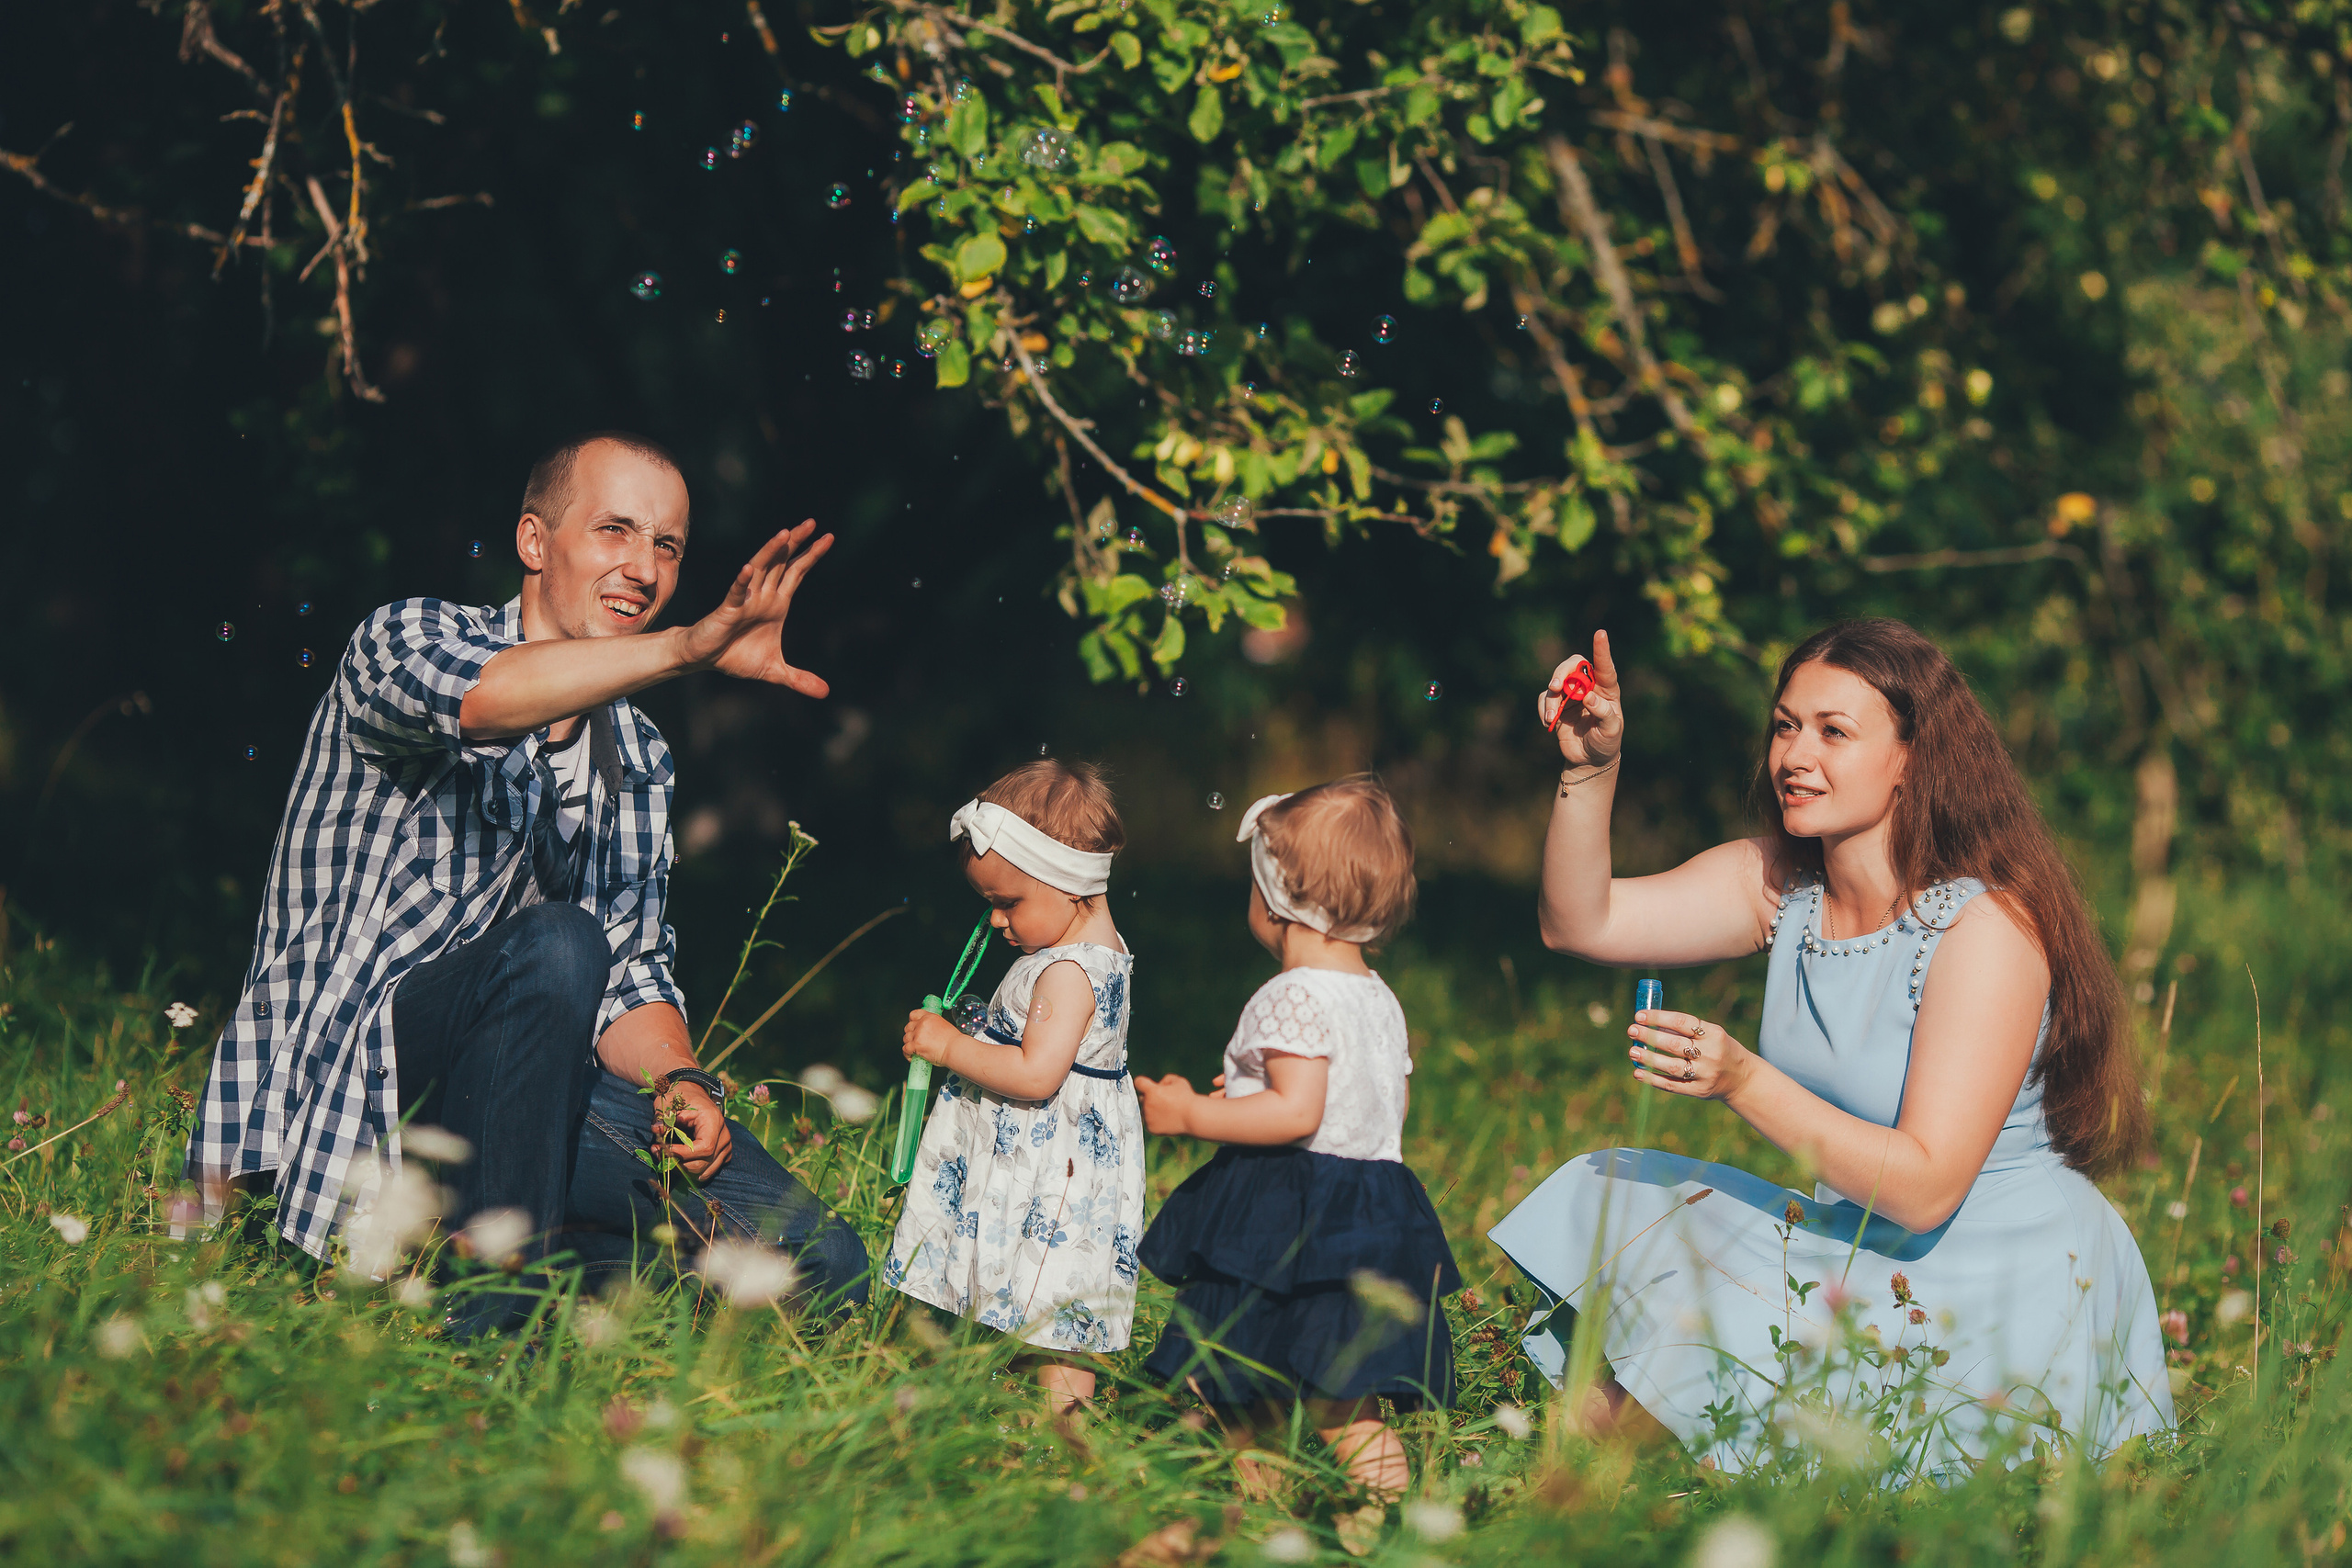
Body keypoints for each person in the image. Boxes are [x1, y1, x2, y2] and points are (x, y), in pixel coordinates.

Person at [186, 432, 868, 1334]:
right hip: (365, 1081)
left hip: (518, 1098)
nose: (643, 567)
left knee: (826, 1264)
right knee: (558, 941)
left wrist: (680, 1082)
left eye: (666, 546)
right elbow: (484, 701)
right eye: (614, 531)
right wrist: (682, 651)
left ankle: (471, 1259)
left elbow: (629, 976)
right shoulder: (406, 637)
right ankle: (493, 1324)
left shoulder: (639, 757)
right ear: (535, 543)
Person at [1489, 619, 2173, 1477]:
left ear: (1913, 759)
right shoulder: (1781, 884)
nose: (1794, 755)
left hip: (1999, 1274)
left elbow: (1925, 1188)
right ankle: (1606, 1457)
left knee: (1715, 1328)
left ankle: (1593, 1471)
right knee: (1612, 1190)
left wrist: (1741, 1078)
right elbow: (1579, 921)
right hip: (1862, 1237)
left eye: (1833, 731)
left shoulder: (1986, 927)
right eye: (1785, 725)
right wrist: (1590, 772)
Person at [1135, 777, 1457, 1551]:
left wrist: (1194, 1114)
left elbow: (1297, 1113)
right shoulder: (1377, 997)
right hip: (1369, 1209)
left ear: (1274, 901)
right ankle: (1377, 1515)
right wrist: (1249, 1090)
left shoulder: (1291, 993)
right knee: (1345, 1393)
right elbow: (1367, 1108)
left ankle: (1233, 1514)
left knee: (1238, 1375)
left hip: (1285, 1210)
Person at [882, 761, 1144, 1413]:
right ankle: (1040, 1425)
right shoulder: (1087, 952)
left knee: (1046, 1299)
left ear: (1070, 883)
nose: (996, 921)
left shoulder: (1066, 974)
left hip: (1048, 1173)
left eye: (1009, 903)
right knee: (1044, 1297)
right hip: (1052, 1163)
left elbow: (1036, 1073)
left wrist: (950, 1046)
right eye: (989, 903)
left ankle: (1061, 1433)